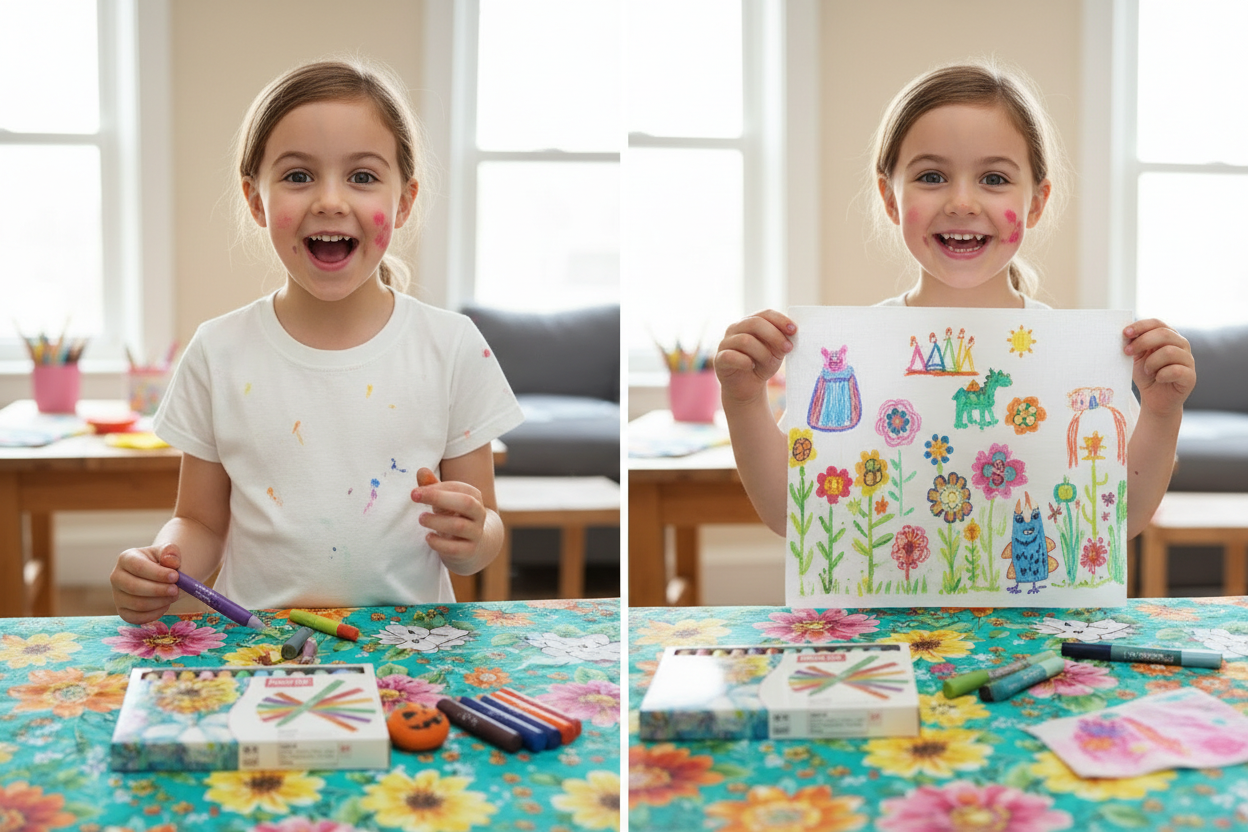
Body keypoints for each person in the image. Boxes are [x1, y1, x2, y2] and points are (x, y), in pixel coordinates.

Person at [111, 59, 523, 624]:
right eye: (299, 176)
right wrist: (163, 562)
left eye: (362, 176)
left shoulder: (452, 346)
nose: (330, 200)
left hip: (411, 648)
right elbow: (202, 523)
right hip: (259, 645)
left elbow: (488, 531)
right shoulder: (217, 351)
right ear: (255, 200)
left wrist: (475, 538)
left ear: (404, 201)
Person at [715, 60, 1195, 543]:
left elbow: (1120, 519)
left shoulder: (1073, 358)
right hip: (884, 618)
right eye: (930, 176)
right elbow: (790, 513)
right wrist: (744, 400)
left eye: (993, 179)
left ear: (1036, 202)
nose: (962, 202)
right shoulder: (856, 353)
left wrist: (1160, 412)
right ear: (889, 197)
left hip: (1037, 617)